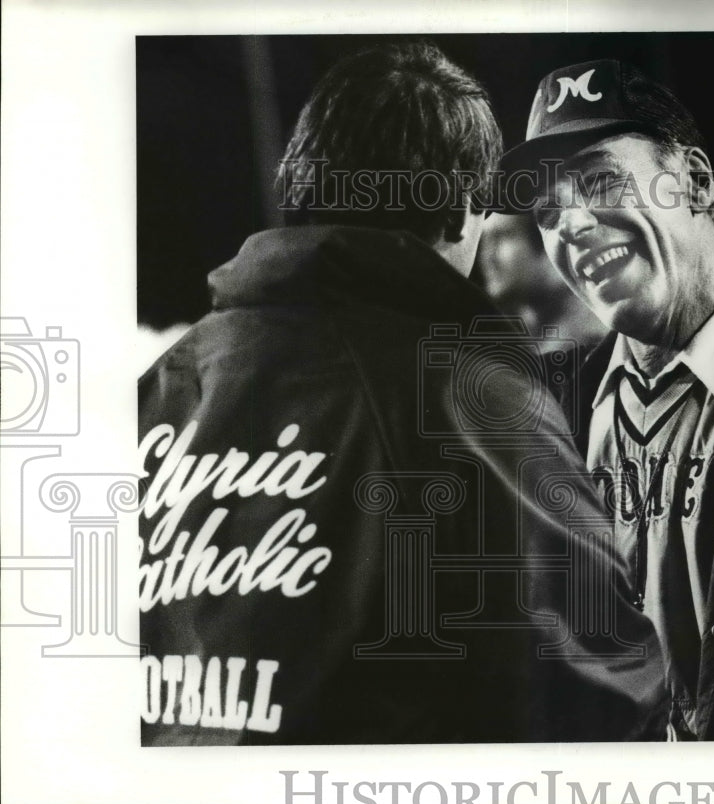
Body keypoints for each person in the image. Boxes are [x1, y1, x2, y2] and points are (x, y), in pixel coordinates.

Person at [137, 43, 666, 745]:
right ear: (461, 215)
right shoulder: (463, 393)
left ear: (300, 182)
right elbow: (593, 686)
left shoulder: (158, 390)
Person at [501, 59, 714, 740]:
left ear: (691, 179)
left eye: (599, 179)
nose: (569, 224)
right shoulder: (557, 413)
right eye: (546, 211)